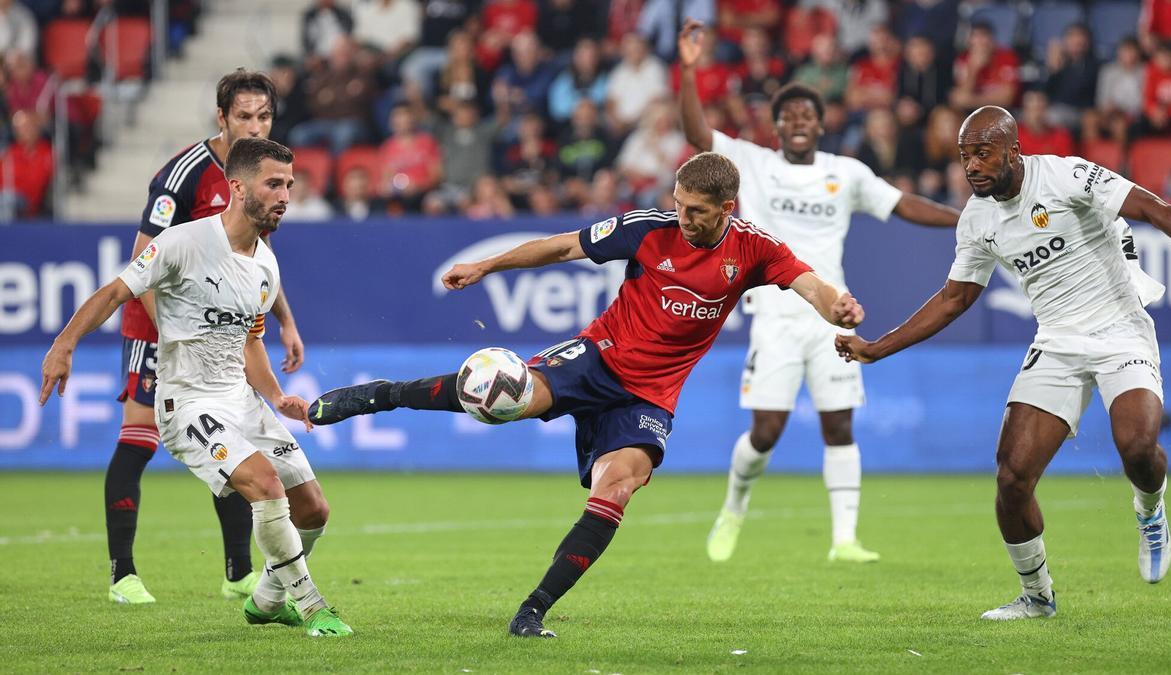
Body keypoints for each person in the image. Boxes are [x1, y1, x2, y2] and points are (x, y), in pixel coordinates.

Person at [307, 152, 865, 638]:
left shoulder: (752, 249)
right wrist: (486, 264)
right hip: (596, 358)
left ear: (729, 206)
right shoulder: (648, 228)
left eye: (696, 210)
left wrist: (835, 303)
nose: (684, 217)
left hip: (650, 397)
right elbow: (560, 248)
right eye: (679, 204)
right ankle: (378, 395)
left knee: (617, 489)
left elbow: (808, 283)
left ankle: (532, 610)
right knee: (500, 395)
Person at [835, 106, 1171, 620]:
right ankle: (1036, 596)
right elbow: (953, 299)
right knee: (1011, 478)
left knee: (1137, 447)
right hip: (1057, 341)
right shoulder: (977, 219)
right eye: (965, 156)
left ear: (1013, 150)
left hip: (1120, 328)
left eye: (983, 153)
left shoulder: (1066, 174)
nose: (972, 166)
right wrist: (876, 347)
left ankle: (1150, 510)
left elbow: (1151, 207)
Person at [41, 138, 352, 637]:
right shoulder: (183, 242)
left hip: (242, 399)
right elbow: (116, 291)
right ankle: (313, 607)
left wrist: (276, 396)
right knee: (266, 486)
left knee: (315, 507)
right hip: (186, 402)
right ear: (237, 187)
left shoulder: (266, 265)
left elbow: (250, 341)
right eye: (274, 183)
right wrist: (64, 344)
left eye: (289, 185)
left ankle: (267, 599)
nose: (285, 196)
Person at [676, 20, 961, 565]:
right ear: (778, 127)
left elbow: (903, 204)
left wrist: (962, 221)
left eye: (806, 115)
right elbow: (697, 136)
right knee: (766, 431)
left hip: (832, 313)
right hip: (776, 314)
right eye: (787, 117)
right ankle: (734, 507)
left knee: (839, 424)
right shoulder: (753, 164)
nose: (797, 123)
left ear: (820, 123)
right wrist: (690, 69)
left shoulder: (845, 173)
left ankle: (845, 540)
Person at [105, 69, 306, 605]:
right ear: (222, 117)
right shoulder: (185, 173)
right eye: (245, 115)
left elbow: (255, 257)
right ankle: (122, 574)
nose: (255, 124)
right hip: (160, 322)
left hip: (218, 326)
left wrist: (284, 320)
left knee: (233, 432)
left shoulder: (260, 173)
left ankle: (238, 572)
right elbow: (141, 256)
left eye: (264, 116)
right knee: (140, 434)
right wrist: (171, 329)